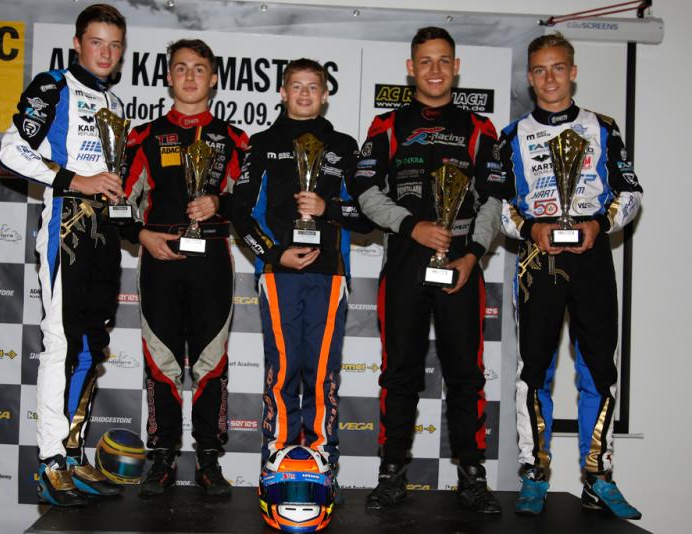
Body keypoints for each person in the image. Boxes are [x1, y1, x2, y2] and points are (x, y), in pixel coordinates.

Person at [349, 27, 503, 513]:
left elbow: (494, 199)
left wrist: (472, 253)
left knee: (466, 374)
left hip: (461, 262)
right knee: (399, 372)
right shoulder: (387, 125)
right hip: (406, 259)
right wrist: (411, 226)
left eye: (443, 61)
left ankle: (472, 475)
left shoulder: (479, 128)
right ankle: (392, 472)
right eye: (425, 61)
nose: (434, 70)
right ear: (410, 68)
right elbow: (366, 192)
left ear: (456, 67)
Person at [497, 33, 643, 519]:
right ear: (529, 77)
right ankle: (534, 473)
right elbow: (498, 206)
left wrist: (599, 224)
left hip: (591, 256)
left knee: (598, 369)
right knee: (534, 370)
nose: (549, 78)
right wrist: (529, 227)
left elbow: (631, 193)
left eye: (557, 68)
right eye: (539, 70)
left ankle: (598, 476)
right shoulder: (511, 135)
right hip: (537, 262)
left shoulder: (603, 127)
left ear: (573, 71)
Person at [0, 3, 127, 507]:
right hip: (65, 229)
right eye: (96, 42)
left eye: (114, 45)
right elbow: (11, 151)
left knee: (92, 347)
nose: (105, 53)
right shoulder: (52, 86)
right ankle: (49, 461)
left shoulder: (114, 102)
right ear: (77, 43)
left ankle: (72, 453)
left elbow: (109, 176)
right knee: (61, 344)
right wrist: (77, 180)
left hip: (104, 234)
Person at [231, 58, 372, 492]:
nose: (305, 94)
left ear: (326, 94)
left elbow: (367, 215)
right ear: (282, 92)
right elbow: (239, 212)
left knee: (322, 372)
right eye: (297, 86)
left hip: (330, 275)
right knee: (283, 369)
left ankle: (321, 459)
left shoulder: (344, 147)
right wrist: (275, 255)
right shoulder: (261, 144)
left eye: (313, 87)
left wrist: (328, 209)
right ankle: (277, 456)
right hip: (279, 273)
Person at [123, 39, 248, 497]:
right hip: (159, 258)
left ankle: (209, 459)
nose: (190, 76)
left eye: (199, 68)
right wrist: (141, 235)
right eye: (181, 68)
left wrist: (220, 203)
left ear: (213, 78)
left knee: (211, 361)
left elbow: (249, 203)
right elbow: (118, 201)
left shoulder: (234, 139)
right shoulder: (143, 136)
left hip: (212, 258)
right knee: (162, 360)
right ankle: (162, 457)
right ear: (168, 77)